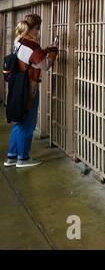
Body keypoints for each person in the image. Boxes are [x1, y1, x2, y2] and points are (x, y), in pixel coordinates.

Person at [4, 14, 58, 168]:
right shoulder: (32, 46)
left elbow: (30, 59)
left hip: (17, 86)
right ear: (34, 28)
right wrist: (54, 51)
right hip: (29, 88)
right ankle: (23, 158)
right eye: (38, 29)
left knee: (18, 122)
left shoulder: (19, 41)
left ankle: (11, 157)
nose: (38, 32)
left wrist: (44, 49)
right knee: (27, 123)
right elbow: (45, 65)